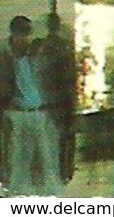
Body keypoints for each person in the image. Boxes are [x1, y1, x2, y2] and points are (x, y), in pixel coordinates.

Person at [0, 16, 62, 196]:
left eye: (28, 34)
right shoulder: (5, 55)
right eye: (23, 34)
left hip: (38, 110)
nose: (26, 39)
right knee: (18, 156)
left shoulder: (34, 54)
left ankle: (50, 191)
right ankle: (16, 191)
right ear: (14, 34)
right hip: (16, 111)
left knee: (46, 154)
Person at [35, 14, 76, 183]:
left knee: (49, 137)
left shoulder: (41, 46)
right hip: (61, 99)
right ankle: (63, 171)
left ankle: (52, 170)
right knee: (63, 137)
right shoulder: (65, 47)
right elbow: (70, 75)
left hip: (45, 99)